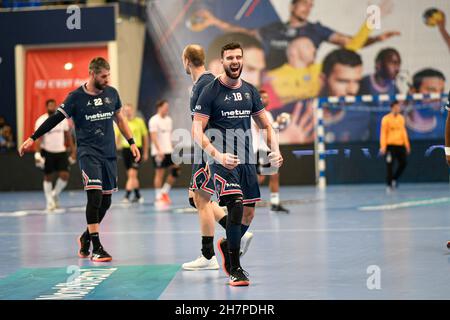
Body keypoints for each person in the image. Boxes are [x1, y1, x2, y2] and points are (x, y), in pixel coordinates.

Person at [19, 57, 141, 262]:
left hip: (109, 154)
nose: (107, 79)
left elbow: (120, 119)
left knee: (106, 201)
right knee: (94, 197)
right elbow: (54, 119)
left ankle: (85, 237)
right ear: (93, 74)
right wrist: (32, 138)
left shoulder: (112, 93)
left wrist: (132, 142)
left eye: (108, 75)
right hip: (88, 153)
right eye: (103, 76)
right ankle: (97, 246)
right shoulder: (75, 97)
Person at [192, 42, 283, 286]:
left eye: (238, 57)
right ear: (222, 61)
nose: (234, 61)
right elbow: (195, 130)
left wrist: (275, 150)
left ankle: (226, 244)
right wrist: (217, 155)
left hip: (247, 161)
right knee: (236, 205)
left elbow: (265, 125)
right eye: (229, 57)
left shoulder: (250, 91)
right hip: (222, 163)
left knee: (249, 213)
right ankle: (235, 268)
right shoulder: (210, 91)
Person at [181, 44, 254, 271]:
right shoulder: (205, 83)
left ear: (186, 60)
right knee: (198, 198)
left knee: (200, 200)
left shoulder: (204, 85)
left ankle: (209, 255)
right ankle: (237, 234)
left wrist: (212, 153)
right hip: (211, 150)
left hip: (210, 151)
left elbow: (203, 126)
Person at [195, 0, 399, 70]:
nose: (308, 8)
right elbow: (243, 33)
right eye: (304, 3)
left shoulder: (316, 30)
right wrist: (215, 22)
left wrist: (374, 32)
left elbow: (352, 43)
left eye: (311, 5)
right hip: (273, 87)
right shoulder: (274, 28)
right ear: (293, 6)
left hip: (301, 86)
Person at [34, 98, 76, 211]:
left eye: (54, 105)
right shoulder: (40, 120)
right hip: (47, 151)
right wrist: (37, 154)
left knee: (65, 175)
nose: (52, 107)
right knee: (48, 176)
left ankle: (54, 194)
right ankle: (49, 202)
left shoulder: (62, 120)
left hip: (61, 151)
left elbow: (68, 137)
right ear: (46, 107)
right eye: (50, 105)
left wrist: (73, 152)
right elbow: (37, 138)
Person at [319, 49, 369, 143]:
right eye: (343, 81)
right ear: (323, 80)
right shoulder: (297, 114)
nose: (352, 90)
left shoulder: (364, 114)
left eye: (357, 81)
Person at [251, 89, 289, 213]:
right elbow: (260, 129)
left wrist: (276, 150)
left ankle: (274, 203)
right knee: (259, 178)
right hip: (259, 151)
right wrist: (278, 123)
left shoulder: (268, 114)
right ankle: (241, 200)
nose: (264, 100)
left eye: (266, 97)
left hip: (268, 151)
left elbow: (272, 134)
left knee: (274, 175)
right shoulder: (255, 113)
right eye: (262, 97)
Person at [148, 99, 180, 205]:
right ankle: (158, 196)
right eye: (165, 107)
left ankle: (164, 192)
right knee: (160, 173)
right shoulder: (153, 120)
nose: (167, 109)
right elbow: (153, 137)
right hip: (158, 152)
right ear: (159, 107)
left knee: (176, 170)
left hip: (169, 151)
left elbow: (169, 136)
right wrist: (159, 150)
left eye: (167, 107)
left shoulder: (169, 120)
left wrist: (172, 148)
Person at [115, 103, 149, 203]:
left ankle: (127, 195)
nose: (128, 112)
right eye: (126, 110)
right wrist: (116, 149)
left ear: (133, 111)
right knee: (131, 175)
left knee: (132, 174)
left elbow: (145, 137)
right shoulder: (122, 122)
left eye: (129, 110)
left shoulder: (139, 122)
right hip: (125, 151)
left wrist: (146, 152)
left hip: (136, 149)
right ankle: (138, 195)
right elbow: (117, 137)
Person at [405, 69, 446, 139]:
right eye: (432, 90)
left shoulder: (446, 125)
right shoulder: (396, 124)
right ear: (413, 92)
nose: (438, 97)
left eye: (441, 91)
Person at [380, 100, 410, 191]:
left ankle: (394, 179)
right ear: (392, 108)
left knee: (404, 163)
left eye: (399, 107)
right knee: (390, 165)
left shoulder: (401, 118)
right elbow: (383, 133)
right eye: (396, 107)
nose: (398, 109)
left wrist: (407, 145)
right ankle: (389, 185)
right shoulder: (386, 119)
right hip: (390, 146)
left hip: (400, 145)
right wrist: (383, 146)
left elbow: (403, 132)